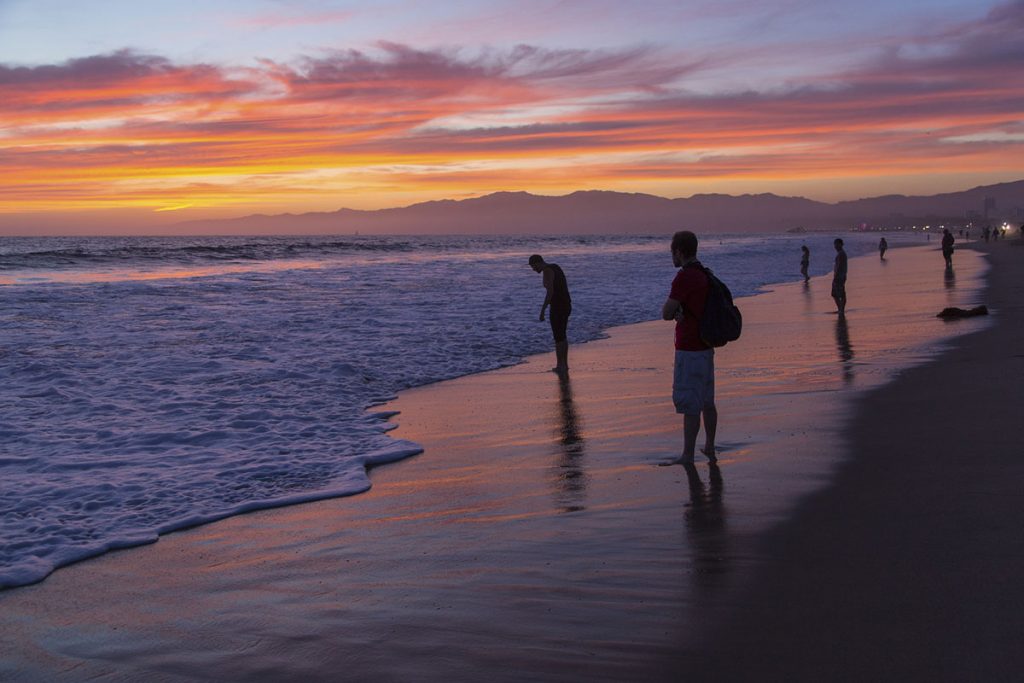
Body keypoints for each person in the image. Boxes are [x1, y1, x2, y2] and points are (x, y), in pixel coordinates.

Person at [661, 231, 717, 464]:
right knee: (707, 401)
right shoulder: (705, 273)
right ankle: (709, 447)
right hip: (705, 345)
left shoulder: (684, 277)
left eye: (672, 252)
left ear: (680, 252)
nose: (671, 257)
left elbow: (666, 312)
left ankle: (687, 454)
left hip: (689, 347)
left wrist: (677, 312)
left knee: (689, 403)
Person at [528, 254, 572, 375]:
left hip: (558, 306)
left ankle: (560, 365)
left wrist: (542, 310)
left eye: (533, 266)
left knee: (558, 337)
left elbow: (550, 292)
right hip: (566, 304)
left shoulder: (547, 271)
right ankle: (565, 364)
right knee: (562, 335)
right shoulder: (555, 267)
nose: (533, 269)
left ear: (538, 263)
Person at [831, 238, 848, 316]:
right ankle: (840, 309)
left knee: (838, 294)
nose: (835, 246)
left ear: (841, 244)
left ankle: (841, 309)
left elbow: (839, 266)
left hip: (839, 277)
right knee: (838, 294)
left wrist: (836, 276)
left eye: (837, 244)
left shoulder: (841, 254)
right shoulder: (841, 253)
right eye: (835, 244)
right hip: (841, 276)